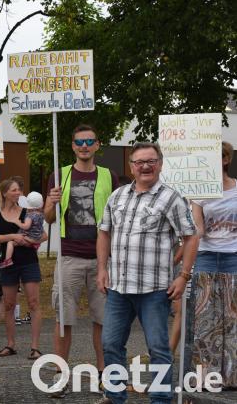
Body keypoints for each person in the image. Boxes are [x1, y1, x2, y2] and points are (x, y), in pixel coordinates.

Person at [96, 142, 199, 404]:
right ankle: (115, 396)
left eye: (151, 161)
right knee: (110, 345)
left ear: (160, 164)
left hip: (155, 289)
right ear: (131, 167)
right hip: (118, 287)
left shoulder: (171, 198)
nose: (145, 166)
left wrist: (183, 275)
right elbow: (104, 232)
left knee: (159, 349)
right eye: (139, 162)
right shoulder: (117, 196)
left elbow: (190, 237)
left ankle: (160, 400)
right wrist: (101, 270)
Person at [43, 124, 118, 397]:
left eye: (89, 141)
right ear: (73, 146)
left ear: (98, 145)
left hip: (102, 260)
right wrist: (51, 202)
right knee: (64, 321)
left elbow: (117, 217)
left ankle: (104, 377)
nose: (84, 146)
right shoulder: (59, 174)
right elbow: (49, 219)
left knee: (104, 321)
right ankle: (61, 377)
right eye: (79, 142)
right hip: (69, 257)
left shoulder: (110, 176)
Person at [188, 141, 236, 388]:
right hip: (207, 255)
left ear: (226, 160)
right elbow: (199, 230)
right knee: (206, 319)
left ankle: (232, 376)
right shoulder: (199, 193)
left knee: (232, 318)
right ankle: (208, 376)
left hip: (233, 256)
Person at [0, 176, 44, 360]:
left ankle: (35, 347)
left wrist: (30, 240)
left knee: (33, 303)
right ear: (5, 192)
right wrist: (12, 237)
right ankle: (10, 344)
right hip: (8, 264)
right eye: (14, 190)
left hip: (28, 261)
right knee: (8, 305)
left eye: (19, 190)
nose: (18, 193)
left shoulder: (28, 213)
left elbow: (43, 235)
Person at [0, 191, 44, 269]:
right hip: (37, 237)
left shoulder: (30, 215)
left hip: (27, 237)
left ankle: (8, 260)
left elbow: (26, 226)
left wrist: (18, 223)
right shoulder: (40, 215)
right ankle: (34, 245)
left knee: (10, 243)